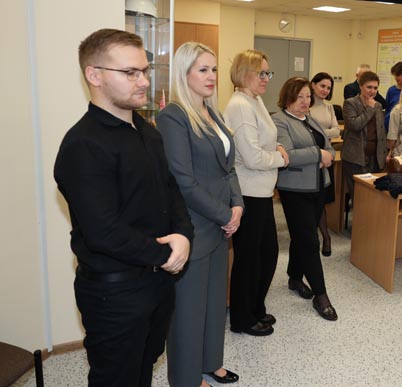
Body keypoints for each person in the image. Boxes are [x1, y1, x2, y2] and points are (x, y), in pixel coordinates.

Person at [54, 28, 193, 387]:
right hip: (114, 293)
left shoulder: (147, 132)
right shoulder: (83, 144)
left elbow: (171, 191)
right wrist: (165, 254)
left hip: (157, 282)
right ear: (94, 75)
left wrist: (183, 235)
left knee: (145, 366)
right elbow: (103, 231)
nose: (144, 81)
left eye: (144, 71)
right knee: (116, 379)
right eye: (130, 73)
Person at [157, 42, 243, 387]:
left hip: (221, 224)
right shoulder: (173, 116)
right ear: (184, 73)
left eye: (214, 69)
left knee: (213, 304)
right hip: (194, 225)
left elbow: (228, 167)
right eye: (203, 69)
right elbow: (183, 181)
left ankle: (211, 362)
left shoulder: (212, 112)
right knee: (188, 311)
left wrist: (238, 205)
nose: (211, 76)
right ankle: (187, 378)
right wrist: (225, 214)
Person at [223, 49, 288, 337]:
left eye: (268, 73)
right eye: (261, 73)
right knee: (249, 259)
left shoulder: (255, 100)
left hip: (262, 191)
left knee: (266, 254)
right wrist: (281, 158)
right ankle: (242, 318)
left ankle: (255, 308)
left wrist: (276, 149)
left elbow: (265, 140)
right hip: (248, 192)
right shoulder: (240, 105)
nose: (266, 78)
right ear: (243, 73)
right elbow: (252, 157)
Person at [273, 78, 339, 321]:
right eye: (299, 97)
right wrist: (318, 155)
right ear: (287, 98)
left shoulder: (309, 119)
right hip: (295, 190)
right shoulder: (279, 121)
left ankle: (294, 277)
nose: (305, 101)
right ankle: (321, 295)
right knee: (310, 241)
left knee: (302, 235)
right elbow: (288, 155)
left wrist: (326, 155)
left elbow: (329, 147)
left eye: (307, 96)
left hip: (318, 186)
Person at [342, 70, 387, 200]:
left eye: (375, 88)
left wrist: (385, 154)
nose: (372, 91)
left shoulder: (378, 106)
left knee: (373, 196)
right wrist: (369, 109)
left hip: (375, 158)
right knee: (359, 197)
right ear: (361, 86)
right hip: (356, 158)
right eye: (369, 87)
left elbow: (380, 132)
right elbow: (355, 125)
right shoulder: (350, 103)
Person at [308, 72, 340, 256]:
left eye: (328, 88)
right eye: (322, 86)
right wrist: (325, 132)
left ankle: (325, 237)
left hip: (327, 157)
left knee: (322, 200)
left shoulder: (329, 107)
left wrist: (320, 133)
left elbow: (336, 131)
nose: (325, 90)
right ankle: (317, 237)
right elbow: (307, 132)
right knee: (312, 201)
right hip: (311, 158)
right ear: (313, 85)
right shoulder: (306, 105)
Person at [384, 61, 402, 130]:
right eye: (395, 75)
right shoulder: (391, 90)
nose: (395, 78)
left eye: (398, 75)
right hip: (391, 127)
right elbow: (387, 109)